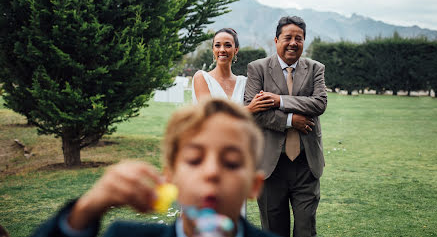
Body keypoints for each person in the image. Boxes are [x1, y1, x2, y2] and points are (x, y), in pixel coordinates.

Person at [30, 98, 280, 237]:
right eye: (194, 160)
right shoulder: (122, 236)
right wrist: (84, 211)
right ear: (170, 178)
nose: (211, 172)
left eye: (231, 163)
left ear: (254, 185)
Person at [244, 16, 327, 237]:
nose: (293, 43)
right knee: (273, 230)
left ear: (304, 42)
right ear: (276, 40)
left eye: (298, 38)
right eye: (287, 37)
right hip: (271, 166)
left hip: (306, 164)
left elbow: (319, 103)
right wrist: (291, 121)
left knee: (305, 229)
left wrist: (279, 101)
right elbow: (253, 112)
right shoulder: (257, 69)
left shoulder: (315, 68)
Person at [192, 28, 274, 113]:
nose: (222, 50)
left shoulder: (244, 82)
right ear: (213, 50)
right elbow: (210, 113)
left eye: (228, 45)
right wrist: (249, 109)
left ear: (236, 50)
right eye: (217, 45)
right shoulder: (202, 77)